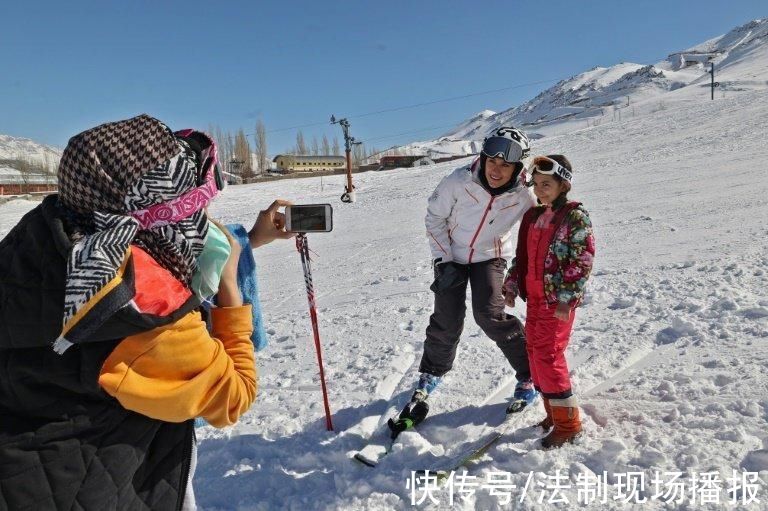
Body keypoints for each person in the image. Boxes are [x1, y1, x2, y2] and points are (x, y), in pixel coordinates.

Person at [0, 114, 293, 510]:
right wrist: (229, 288)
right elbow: (233, 396)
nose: (200, 221)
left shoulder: (51, 233)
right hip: (102, 489)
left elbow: (156, 250)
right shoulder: (149, 319)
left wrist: (250, 240)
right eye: (189, 208)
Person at [390, 127, 538, 435]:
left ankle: (530, 373)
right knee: (447, 317)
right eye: (492, 161)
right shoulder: (459, 181)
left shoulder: (524, 196)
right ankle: (432, 373)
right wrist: (443, 259)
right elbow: (434, 218)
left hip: (491, 257)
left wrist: (520, 272)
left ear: (517, 168)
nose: (496, 170)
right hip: (451, 255)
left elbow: (537, 228)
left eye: (506, 165)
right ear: (482, 158)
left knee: (489, 314)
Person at [503, 154, 595, 448]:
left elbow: (581, 260)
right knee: (533, 352)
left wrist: (568, 298)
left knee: (548, 355)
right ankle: (553, 413)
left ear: (563, 184)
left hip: (557, 303)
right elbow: (523, 257)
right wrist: (512, 283)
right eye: (537, 184)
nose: (540, 190)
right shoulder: (532, 216)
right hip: (535, 301)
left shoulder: (573, 217)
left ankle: (569, 424)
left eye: (547, 184)